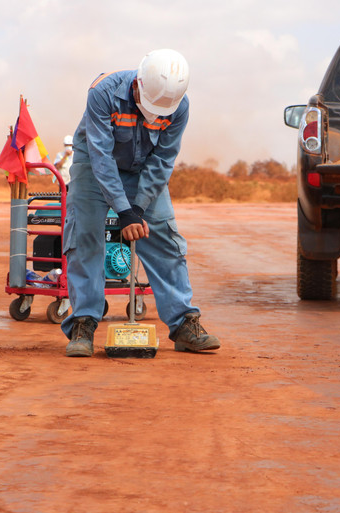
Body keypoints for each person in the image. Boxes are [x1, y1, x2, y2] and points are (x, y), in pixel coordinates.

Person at [62, 48, 220, 357]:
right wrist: (123, 210)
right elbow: (101, 155)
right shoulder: (103, 92)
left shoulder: (179, 107)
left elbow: (163, 159)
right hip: (94, 168)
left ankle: (183, 323)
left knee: (164, 238)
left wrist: (139, 209)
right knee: (84, 236)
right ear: (138, 83)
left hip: (143, 169)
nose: (156, 112)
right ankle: (83, 324)